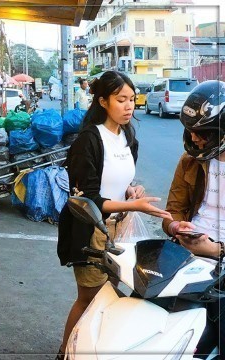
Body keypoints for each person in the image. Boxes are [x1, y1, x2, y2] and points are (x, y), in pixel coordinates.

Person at [56, 70, 172, 358]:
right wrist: (135, 206)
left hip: (120, 230)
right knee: (90, 298)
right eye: (121, 99)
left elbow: (118, 181)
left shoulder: (128, 136)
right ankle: (64, 352)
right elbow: (90, 196)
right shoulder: (89, 140)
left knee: (109, 294)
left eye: (132, 99)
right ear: (103, 101)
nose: (129, 106)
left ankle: (94, 349)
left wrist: (132, 190)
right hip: (90, 229)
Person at [161, 80, 225, 356]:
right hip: (188, 254)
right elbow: (172, 210)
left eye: (203, 133)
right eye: (190, 132)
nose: (195, 139)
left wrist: (217, 251)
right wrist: (176, 226)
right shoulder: (189, 161)